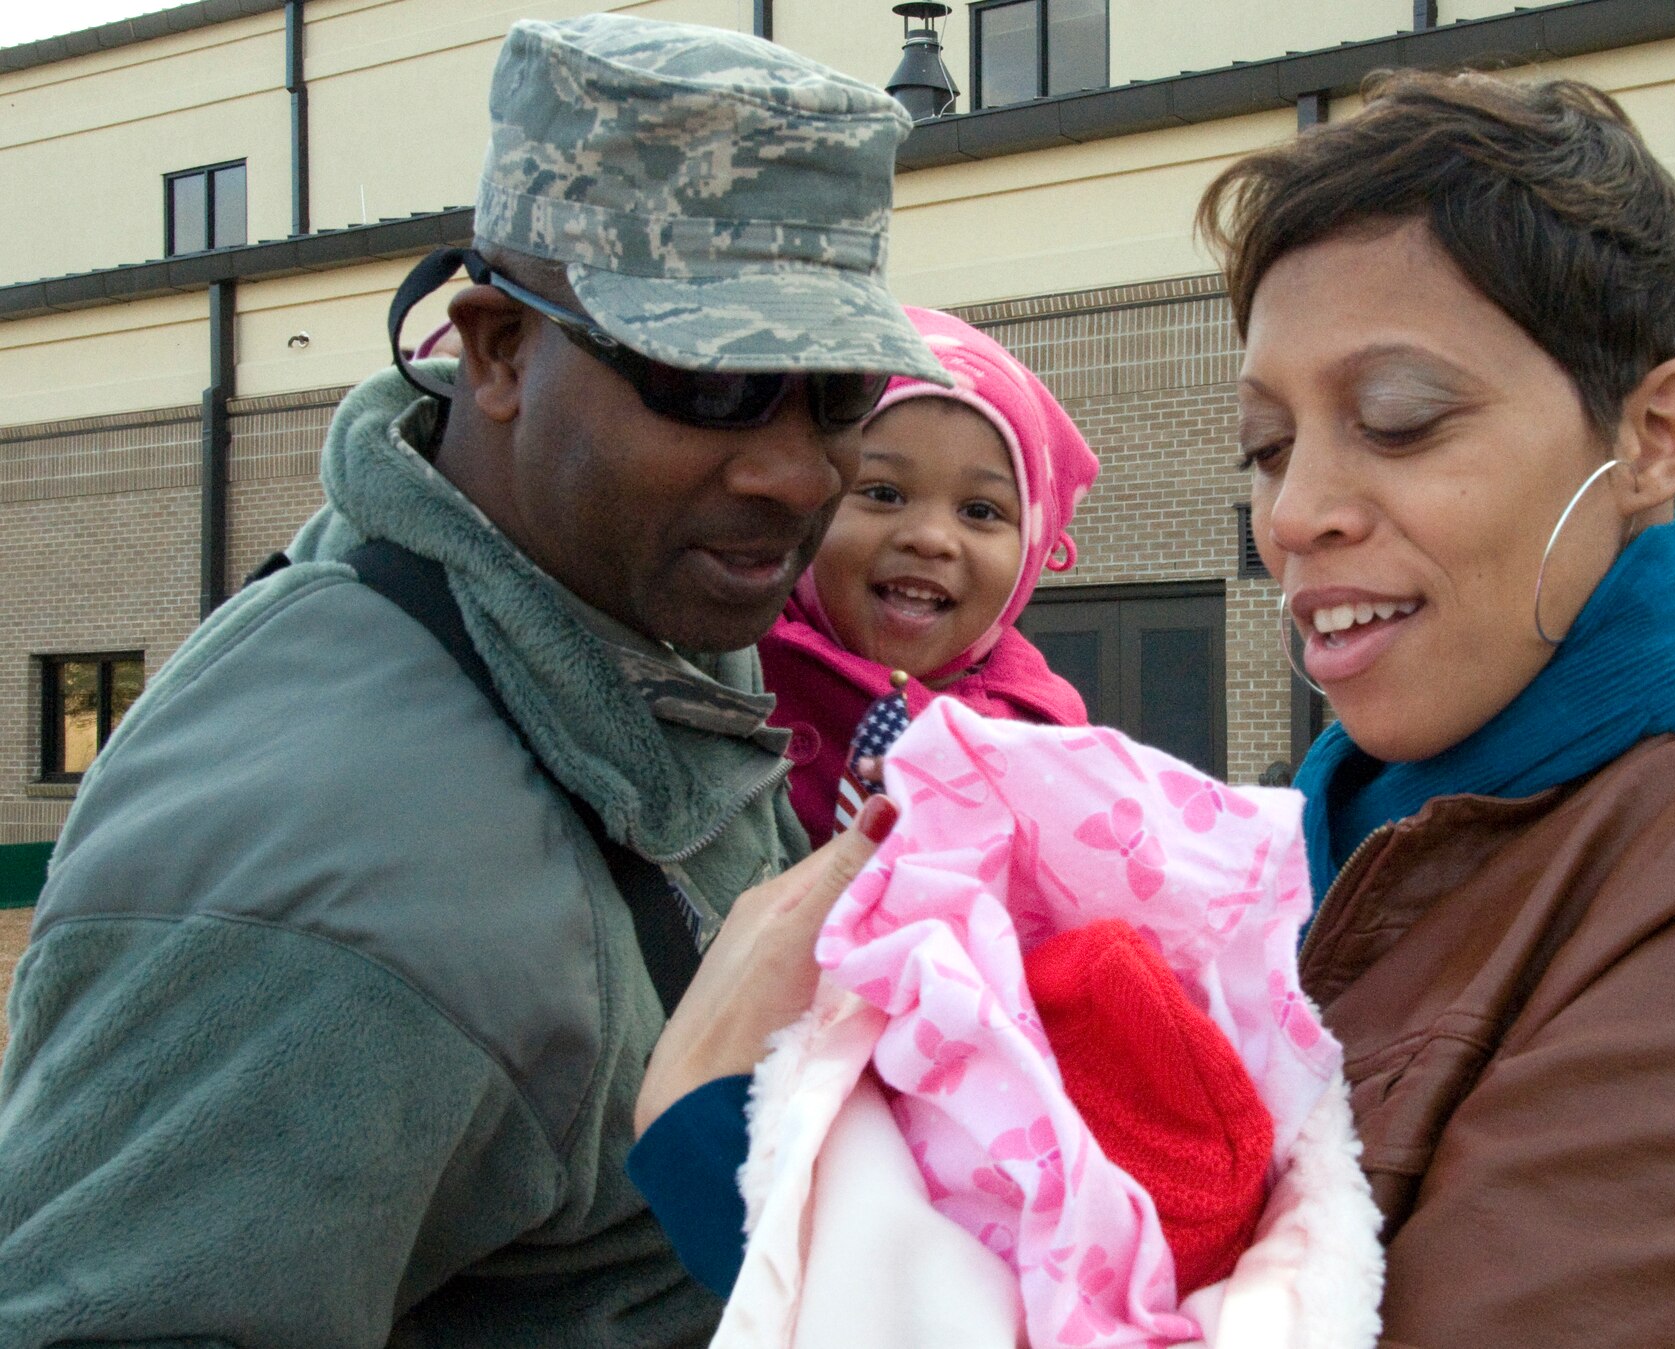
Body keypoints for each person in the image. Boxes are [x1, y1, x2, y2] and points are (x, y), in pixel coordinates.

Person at [0, 16, 942, 1345]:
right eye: (708, 383)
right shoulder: (330, 888)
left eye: (840, 392)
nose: (795, 473)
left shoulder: (620, 607)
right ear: (496, 349)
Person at [1198, 70, 1675, 1346]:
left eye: (1395, 419)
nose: (1292, 514)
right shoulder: (1279, 853)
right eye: (1269, 445)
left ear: (1655, 436)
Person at [759, 306, 1101, 846]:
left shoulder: (1044, 742)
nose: (931, 538)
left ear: (1032, 550)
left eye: (981, 511)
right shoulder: (729, 665)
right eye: (883, 493)